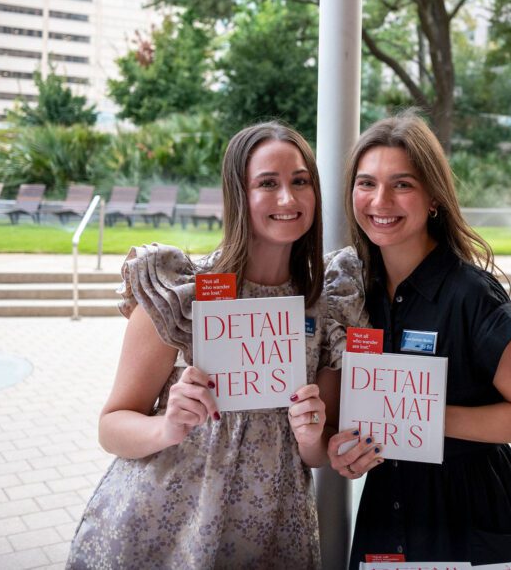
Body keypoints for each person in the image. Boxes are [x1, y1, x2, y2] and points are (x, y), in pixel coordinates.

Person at [67, 122, 363, 569]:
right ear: (239, 194)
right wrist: (168, 426)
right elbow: (111, 426)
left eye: (300, 181)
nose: (288, 198)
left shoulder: (325, 305)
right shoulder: (183, 292)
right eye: (268, 183)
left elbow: (316, 453)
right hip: (164, 530)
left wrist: (310, 432)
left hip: (271, 530)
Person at [328, 115, 511, 567]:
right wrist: (348, 449)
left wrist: (420, 417)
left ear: (433, 197)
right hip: (387, 512)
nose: (380, 200)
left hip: (472, 514)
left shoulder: (470, 294)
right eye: (366, 183)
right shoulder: (357, 293)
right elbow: (359, 412)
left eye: (402, 185)